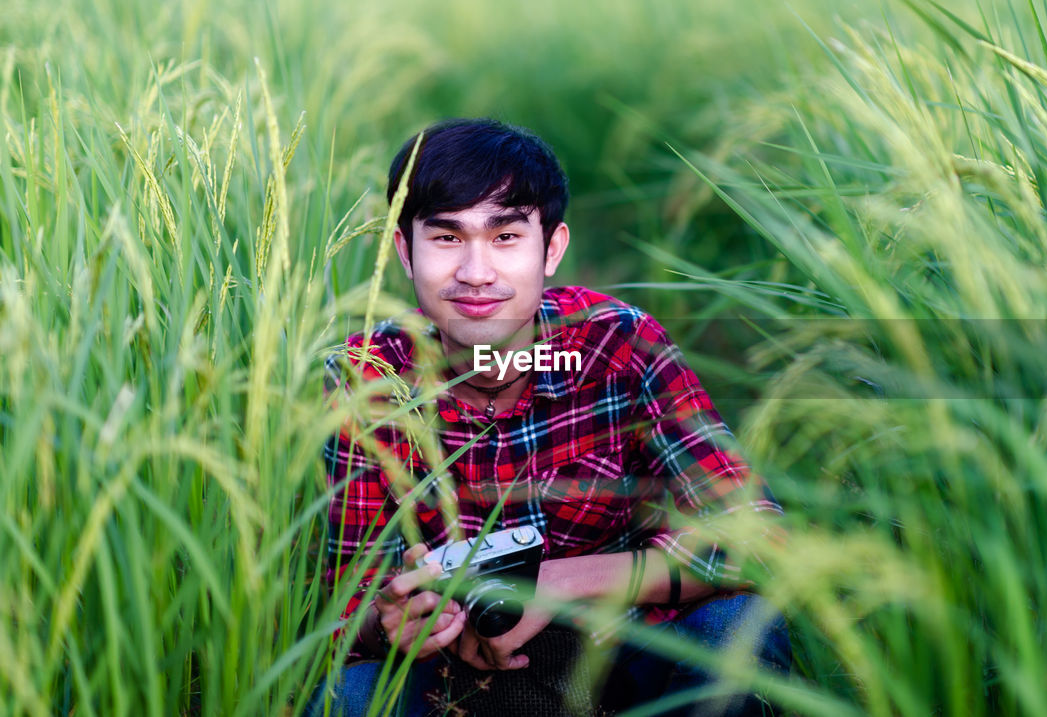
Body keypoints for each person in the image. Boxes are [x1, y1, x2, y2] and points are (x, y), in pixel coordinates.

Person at [308, 118, 788, 716]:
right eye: (447, 238)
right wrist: (394, 623)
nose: (476, 273)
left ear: (551, 248)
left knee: (738, 626)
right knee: (346, 699)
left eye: (506, 237)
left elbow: (758, 535)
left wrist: (556, 585)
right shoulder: (365, 379)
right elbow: (340, 607)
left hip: (626, 641)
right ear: (405, 250)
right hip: (457, 670)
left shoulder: (619, 345)